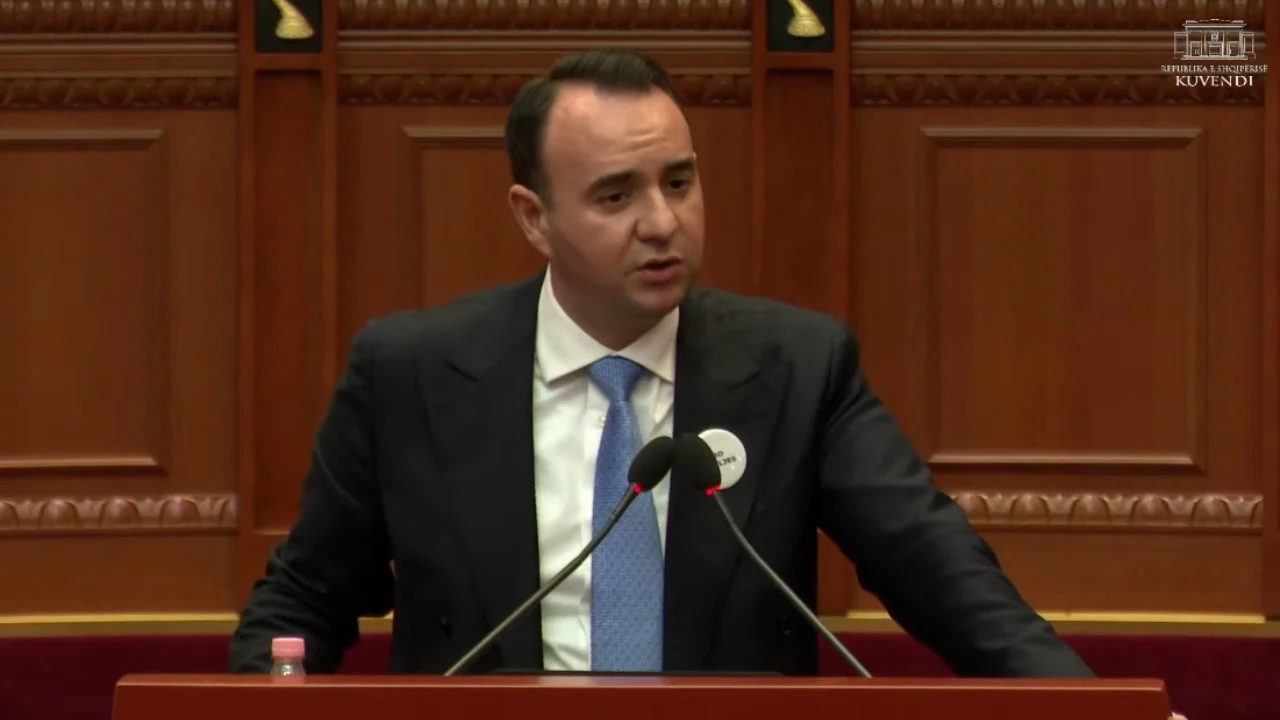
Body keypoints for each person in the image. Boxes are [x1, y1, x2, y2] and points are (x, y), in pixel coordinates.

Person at [227, 49, 1167, 705]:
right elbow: (305, 600)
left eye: (678, 182)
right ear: (533, 217)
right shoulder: (412, 373)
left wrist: (1095, 711)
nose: (663, 223)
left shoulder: (797, 367)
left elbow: (944, 578)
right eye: (616, 195)